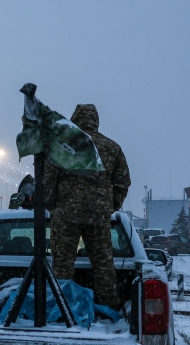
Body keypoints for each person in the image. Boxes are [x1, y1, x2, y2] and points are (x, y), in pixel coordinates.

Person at [45, 104, 131, 310]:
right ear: (96, 120)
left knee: (63, 264)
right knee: (103, 265)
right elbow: (123, 182)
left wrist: (52, 205)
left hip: (66, 214)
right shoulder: (112, 147)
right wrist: (110, 206)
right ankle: (109, 308)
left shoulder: (62, 144)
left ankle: (62, 307)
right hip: (98, 216)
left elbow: (48, 180)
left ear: (74, 120)